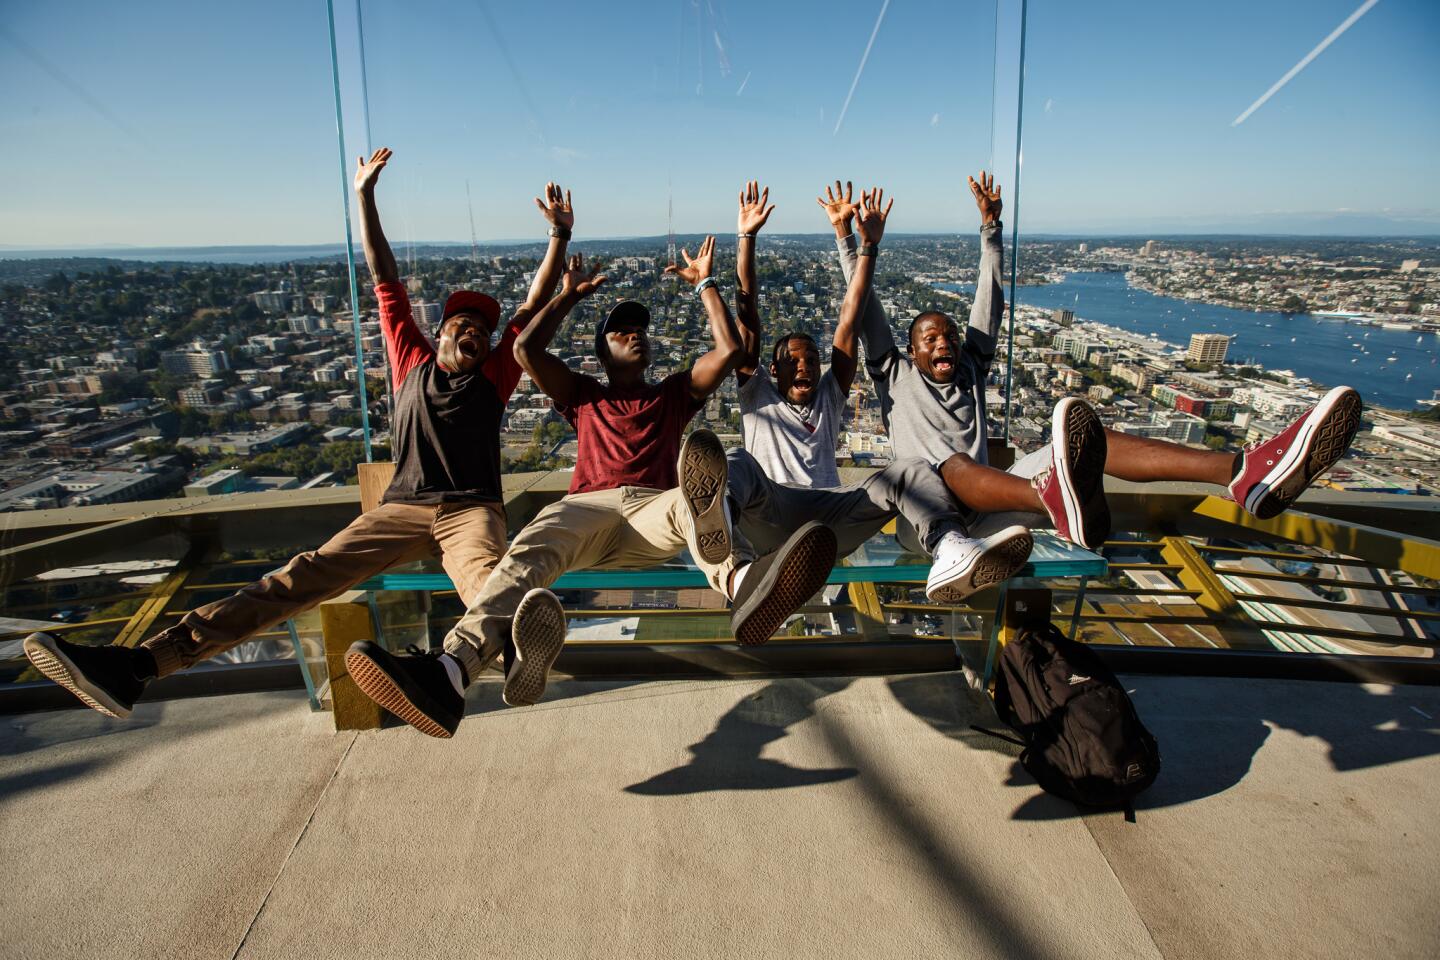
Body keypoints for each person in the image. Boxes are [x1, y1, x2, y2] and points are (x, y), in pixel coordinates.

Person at [23, 148, 573, 719]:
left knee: (491, 579)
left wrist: (557, 239)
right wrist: (364, 195)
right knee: (295, 580)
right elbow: (384, 275)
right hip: (401, 507)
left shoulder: (497, 372)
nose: (477, 332)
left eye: (484, 329)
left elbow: (533, 305)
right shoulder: (409, 357)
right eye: (465, 322)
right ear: (438, 332)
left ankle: (463, 672)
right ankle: (135, 667)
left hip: (470, 508)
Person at [343, 238, 838, 738]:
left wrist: (706, 283)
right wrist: (569, 295)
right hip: (586, 508)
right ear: (602, 350)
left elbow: (730, 350)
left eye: (641, 330)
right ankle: (451, 672)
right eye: (622, 331)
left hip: (651, 515)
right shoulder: (582, 395)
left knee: (694, 501)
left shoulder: (671, 394)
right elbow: (523, 349)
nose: (636, 335)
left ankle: (743, 585)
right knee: (529, 552)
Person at [839, 172, 1363, 546]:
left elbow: (989, 298)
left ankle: (1244, 473)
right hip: (928, 522)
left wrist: (991, 230)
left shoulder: (972, 366)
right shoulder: (894, 374)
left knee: (1088, 444)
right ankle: (1058, 500)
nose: (943, 343)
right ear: (910, 351)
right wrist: (854, 243)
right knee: (951, 465)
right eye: (929, 338)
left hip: (999, 505)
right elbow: (863, 311)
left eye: (949, 335)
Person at [719, 180, 1103, 602]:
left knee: (921, 470)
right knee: (736, 460)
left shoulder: (955, 371)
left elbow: (854, 317)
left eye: (812, 358)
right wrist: (755, 239)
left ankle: (996, 536)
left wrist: (870, 244)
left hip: (868, 518)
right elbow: (758, 317)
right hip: (784, 512)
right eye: (793, 360)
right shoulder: (872, 377)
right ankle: (727, 550)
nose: (805, 365)